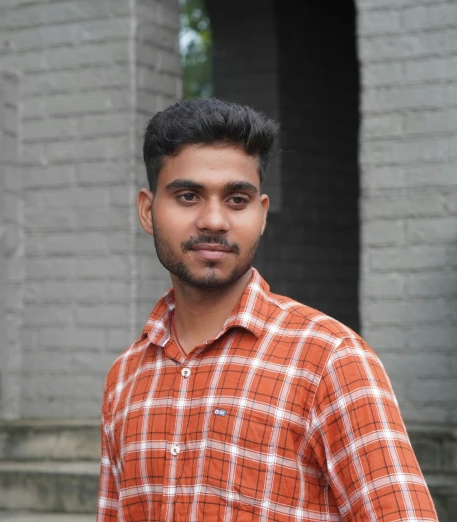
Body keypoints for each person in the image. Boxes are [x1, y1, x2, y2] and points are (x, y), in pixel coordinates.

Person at [97, 98, 438, 522]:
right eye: (188, 196)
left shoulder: (330, 360)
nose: (214, 220)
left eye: (237, 200)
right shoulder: (125, 378)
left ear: (260, 215)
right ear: (149, 211)